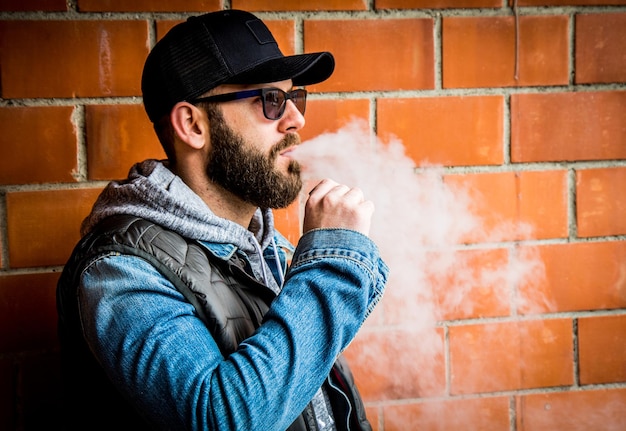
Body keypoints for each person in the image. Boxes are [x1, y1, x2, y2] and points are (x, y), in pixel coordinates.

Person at [56, 9, 388, 431]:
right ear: (193, 125)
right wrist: (334, 261)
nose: (297, 120)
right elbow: (224, 419)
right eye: (271, 101)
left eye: (295, 97)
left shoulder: (267, 248)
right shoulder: (120, 272)